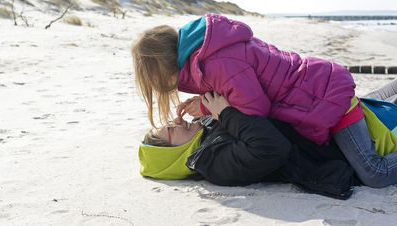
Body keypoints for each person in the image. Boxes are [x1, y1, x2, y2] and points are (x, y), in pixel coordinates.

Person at [139, 79, 397, 197]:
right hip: (334, 143)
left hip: (322, 118)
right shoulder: (215, 163)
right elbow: (272, 148)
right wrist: (225, 113)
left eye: (169, 123)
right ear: (172, 155)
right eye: (171, 130)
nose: (177, 121)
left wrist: (207, 106)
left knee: (379, 98)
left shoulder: (204, 130)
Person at [132, 13, 356, 146]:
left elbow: (256, 110)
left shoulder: (212, 64)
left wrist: (208, 108)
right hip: (311, 86)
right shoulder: (204, 54)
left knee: (371, 172)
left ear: (161, 68)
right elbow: (237, 87)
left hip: (320, 93)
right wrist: (204, 101)